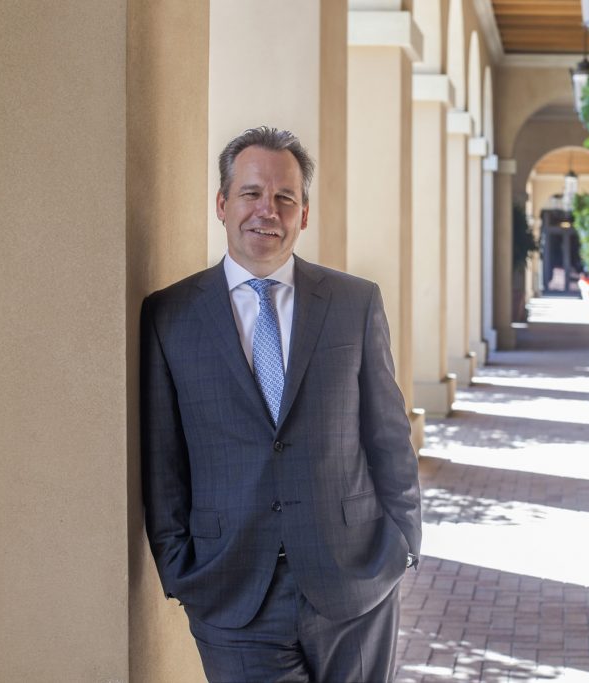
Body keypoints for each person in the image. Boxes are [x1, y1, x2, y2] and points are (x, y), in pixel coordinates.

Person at [140, 126, 422, 682]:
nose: (266, 210)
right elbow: (161, 458)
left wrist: (403, 541)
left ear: (304, 214)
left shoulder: (353, 303)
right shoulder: (169, 315)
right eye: (250, 193)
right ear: (222, 204)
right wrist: (179, 568)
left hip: (356, 582)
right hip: (232, 591)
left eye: (284, 198)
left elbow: (387, 433)